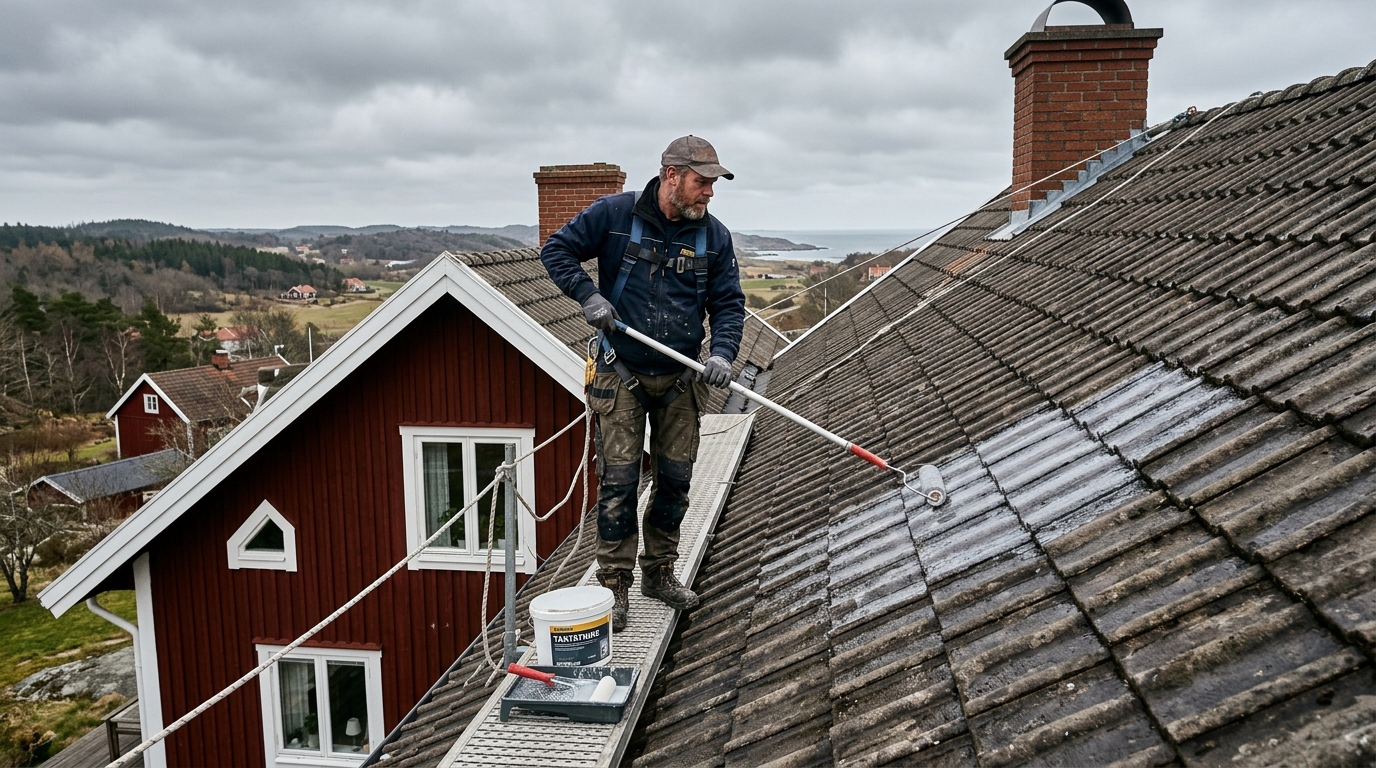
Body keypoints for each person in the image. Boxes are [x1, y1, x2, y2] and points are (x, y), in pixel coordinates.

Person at [541, 136, 746, 631]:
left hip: (680, 381)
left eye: (714, 184)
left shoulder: (714, 237)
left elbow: (728, 305)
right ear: (671, 175)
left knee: (675, 482)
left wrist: (721, 353)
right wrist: (588, 296)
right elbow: (557, 251)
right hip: (622, 375)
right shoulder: (614, 216)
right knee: (619, 484)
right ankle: (615, 584)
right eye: (702, 183)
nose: (709, 194)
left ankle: (659, 572)